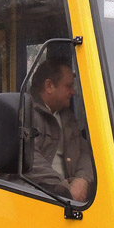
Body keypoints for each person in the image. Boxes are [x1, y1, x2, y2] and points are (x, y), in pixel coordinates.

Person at [29, 58, 94, 201]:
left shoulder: (67, 117)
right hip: (39, 194)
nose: (73, 92)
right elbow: (28, 158)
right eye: (68, 86)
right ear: (49, 86)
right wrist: (63, 187)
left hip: (70, 196)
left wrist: (82, 180)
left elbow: (86, 152)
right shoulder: (25, 114)